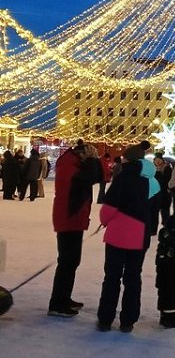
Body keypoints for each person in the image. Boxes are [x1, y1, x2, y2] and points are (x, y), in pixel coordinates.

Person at [96, 144, 158, 332]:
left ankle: (105, 318)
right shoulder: (153, 183)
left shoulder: (122, 178)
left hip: (117, 235)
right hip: (141, 235)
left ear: (127, 160)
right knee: (133, 278)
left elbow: (109, 207)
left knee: (112, 277)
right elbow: (156, 211)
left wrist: (105, 221)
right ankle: (128, 320)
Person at [48, 141, 102, 317]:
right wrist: (91, 161)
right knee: (67, 262)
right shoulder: (67, 165)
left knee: (71, 262)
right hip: (68, 219)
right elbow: (86, 179)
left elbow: (98, 177)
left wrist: (93, 160)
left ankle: (63, 298)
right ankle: (57, 304)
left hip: (74, 219)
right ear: (81, 154)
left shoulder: (75, 164)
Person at [155, 214, 175, 328]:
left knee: (163, 293)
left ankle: (163, 315)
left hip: (162, 272)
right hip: (174, 273)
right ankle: (170, 319)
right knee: (173, 296)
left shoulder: (163, 239)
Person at [153, 154, 173, 229]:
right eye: (156, 160)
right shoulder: (152, 168)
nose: (157, 161)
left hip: (165, 192)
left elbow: (165, 180)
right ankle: (153, 229)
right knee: (154, 211)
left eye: (159, 160)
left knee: (165, 211)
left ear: (162, 160)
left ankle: (166, 226)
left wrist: (158, 172)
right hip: (155, 193)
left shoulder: (167, 168)